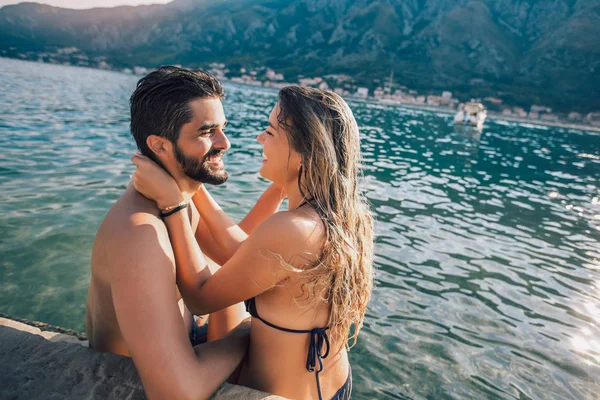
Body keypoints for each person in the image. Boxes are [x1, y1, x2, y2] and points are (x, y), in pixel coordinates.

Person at [131, 85, 374, 400]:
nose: (260, 138)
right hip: (334, 386)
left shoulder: (293, 229)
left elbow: (201, 298)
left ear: (304, 154)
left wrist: (173, 205)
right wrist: (188, 177)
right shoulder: (344, 217)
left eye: (271, 132)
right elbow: (244, 255)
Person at [85, 66, 286, 399]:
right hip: (136, 377)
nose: (225, 143)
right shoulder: (140, 233)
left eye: (223, 128)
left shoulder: (178, 197)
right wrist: (248, 333)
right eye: (207, 131)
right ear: (160, 146)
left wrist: (280, 189)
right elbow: (175, 393)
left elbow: (237, 254)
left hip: (186, 340)